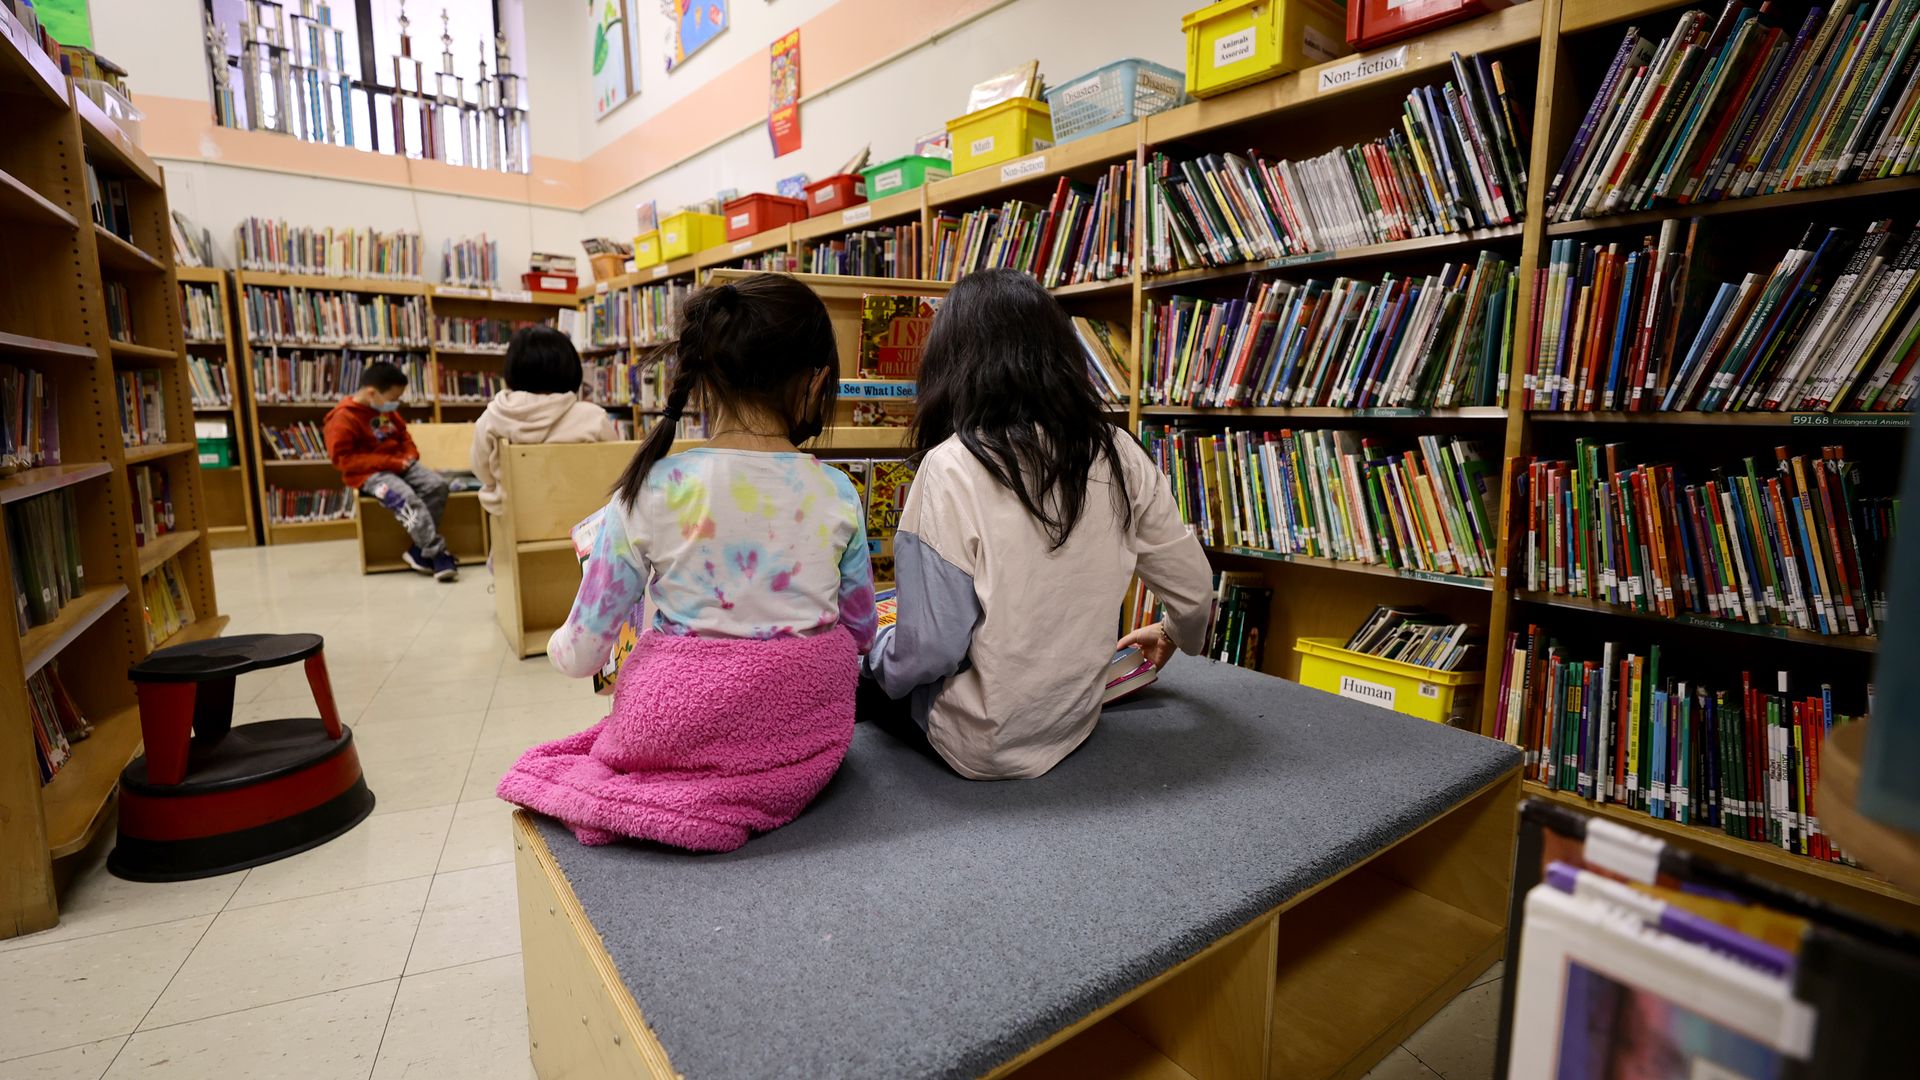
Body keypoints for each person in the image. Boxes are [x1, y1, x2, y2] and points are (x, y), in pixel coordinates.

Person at [496, 274, 877, 851]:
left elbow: (578, 657)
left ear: (700, 377)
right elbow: (862, 633)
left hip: (675, 729)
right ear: (817, 381)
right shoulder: (839, 492)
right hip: (806, 735)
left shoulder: (653, 490)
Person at [861, 269, 1214, 780]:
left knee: (863, 652)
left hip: (975, 742)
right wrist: (1171, 632)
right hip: (1073, 722)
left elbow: (930, 649)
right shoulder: (1117, 451)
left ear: (951, 363)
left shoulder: (951, 464)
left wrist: (874, 660)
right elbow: (1196, 591)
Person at [322, 360, 457, 581]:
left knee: (437, 485)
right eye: (393, 399)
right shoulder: (342, 419)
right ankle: (436, 553)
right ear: (372, 392)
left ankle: (418, 551)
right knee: (406, 499)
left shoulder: (384, 409)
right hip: (369, 475)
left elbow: (403, 434)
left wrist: (410, 454)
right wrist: (391, 463)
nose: (395, 404)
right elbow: (345, 461)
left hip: (399, 464)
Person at [471, 324, 620, 516]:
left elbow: (482, 472)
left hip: (515, 524)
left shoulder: (491, 419)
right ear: (570, 366)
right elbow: (615, 471)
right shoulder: (593, 418)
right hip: (585, 528)